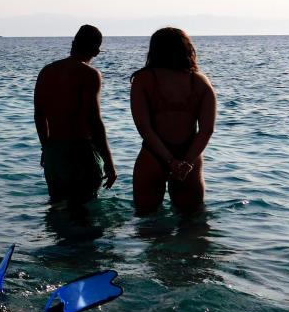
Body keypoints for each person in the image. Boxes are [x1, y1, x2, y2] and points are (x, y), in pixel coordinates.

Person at [130, 28, 216, 214]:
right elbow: (207, 130)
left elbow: (144, 127)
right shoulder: (200, 82)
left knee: (148, 225)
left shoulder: (143, 79)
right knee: (193, 226)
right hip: (189, 158)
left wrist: (169, 161)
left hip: (153, 155)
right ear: (186, 49)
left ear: (154, 50)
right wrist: (184, 162)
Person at [33, 25, 116, 204]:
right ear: (97, 51)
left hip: (54, 152)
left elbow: (39, 115)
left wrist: (45, 148)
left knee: (56, 210)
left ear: (72, 44)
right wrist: (109, 163)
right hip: (81, 153)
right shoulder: (89, 75)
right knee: (84, 214)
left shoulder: (46, 71)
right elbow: (94, 121)